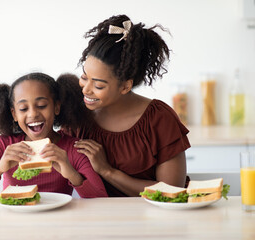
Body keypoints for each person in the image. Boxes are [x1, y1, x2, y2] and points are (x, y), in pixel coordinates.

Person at [60, 14, 191, 197]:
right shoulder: (76, 115)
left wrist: (107, 171)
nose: (86, 89)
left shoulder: (159, 118)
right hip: (91, 220)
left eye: (98, 85)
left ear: (125, 86)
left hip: (151, 221)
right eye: (84, 77)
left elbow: (172, 191)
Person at [0, 72, 108, 199]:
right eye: (23, 108)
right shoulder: (2, 145)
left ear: (56, 107)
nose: (33, 114)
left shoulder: (72, 148)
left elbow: (100, 199)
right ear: (14, 114)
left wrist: (70, 171)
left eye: (42, 105)